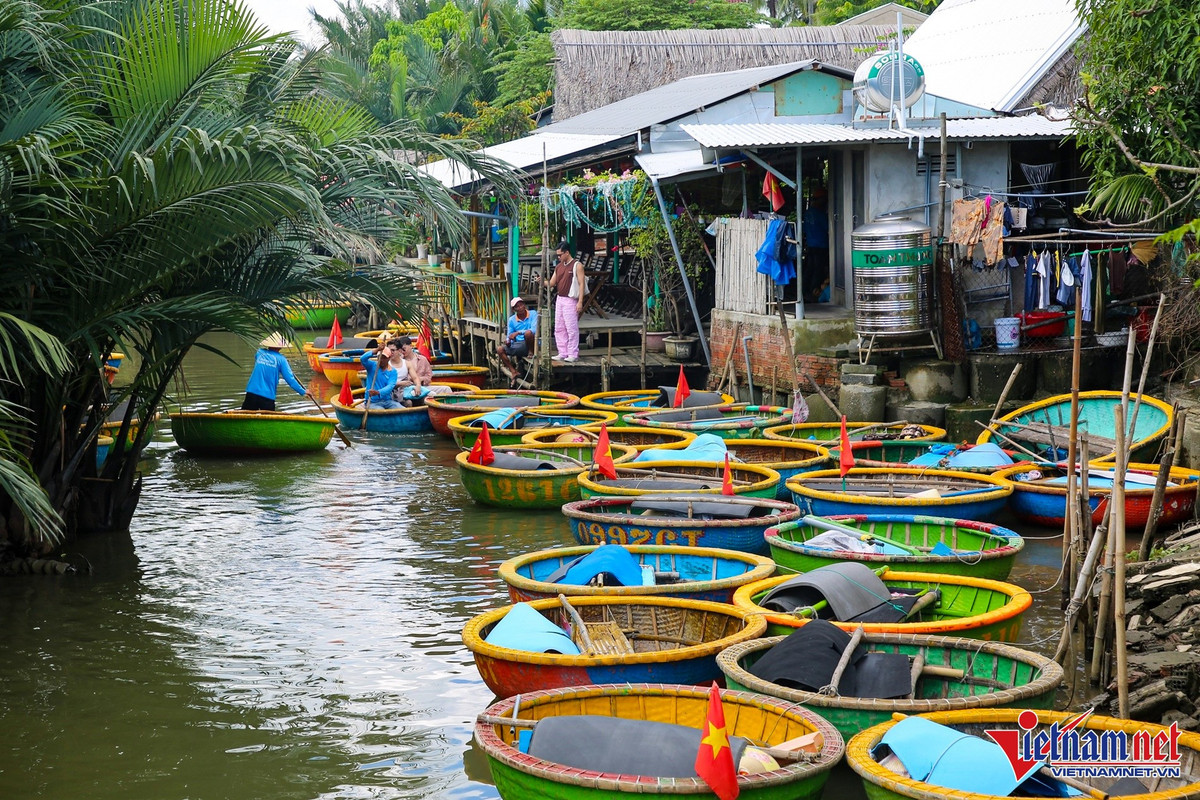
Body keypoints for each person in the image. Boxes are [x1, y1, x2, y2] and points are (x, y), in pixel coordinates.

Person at [242, 333, 311, 411]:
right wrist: (303, 392)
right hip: (267, 396)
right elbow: (290, 380)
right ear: (280, 347)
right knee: (268, 421)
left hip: (252, 392)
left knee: (245, 416)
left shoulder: (259, 352)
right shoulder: (282, 360)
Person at [544, 240, 585, 362]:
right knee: (559, 327)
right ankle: (562, 351)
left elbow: (581, 284)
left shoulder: (577, 265)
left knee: (571, 327)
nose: (559, 257)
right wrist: (542, 281)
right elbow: (552, 283)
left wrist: (580, 302)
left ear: (567, 253)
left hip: (571, 299)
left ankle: (573, 353)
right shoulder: (558, 266)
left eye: (560, 255)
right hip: (560, 299)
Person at [498, 296, 537, 385]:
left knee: (528, 333)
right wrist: (508, 342)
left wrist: (518, 332)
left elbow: (534, 330)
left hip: (531, 343)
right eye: (517, 306)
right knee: (499, 349)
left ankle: (531, 352)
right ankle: (513, 371)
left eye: (521, 305)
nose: (520, 308)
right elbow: (510, 335)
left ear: (524, 305)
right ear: (514, 309)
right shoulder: (512, 320)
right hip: (519, 345)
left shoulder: (533, 314)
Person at [802, 187, 830, 302]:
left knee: (809, 269)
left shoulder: (808, 213)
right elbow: (828, 228)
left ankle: (804, 291)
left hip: (811, 244)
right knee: (817, 270)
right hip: (821, 245)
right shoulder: (820, 214)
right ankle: (814, 292)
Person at [358, 339, 403, 409]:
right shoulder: (372, 365)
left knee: (401, 409)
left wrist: (378, 392)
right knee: (380, 410)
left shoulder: (393, 372)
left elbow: (390, 387)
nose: (381, 360)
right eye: (379, 357)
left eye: (384, 358)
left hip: (388, 401)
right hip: (372, 402)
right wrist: (377, 349)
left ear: (389, 358)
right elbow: (362, 359)